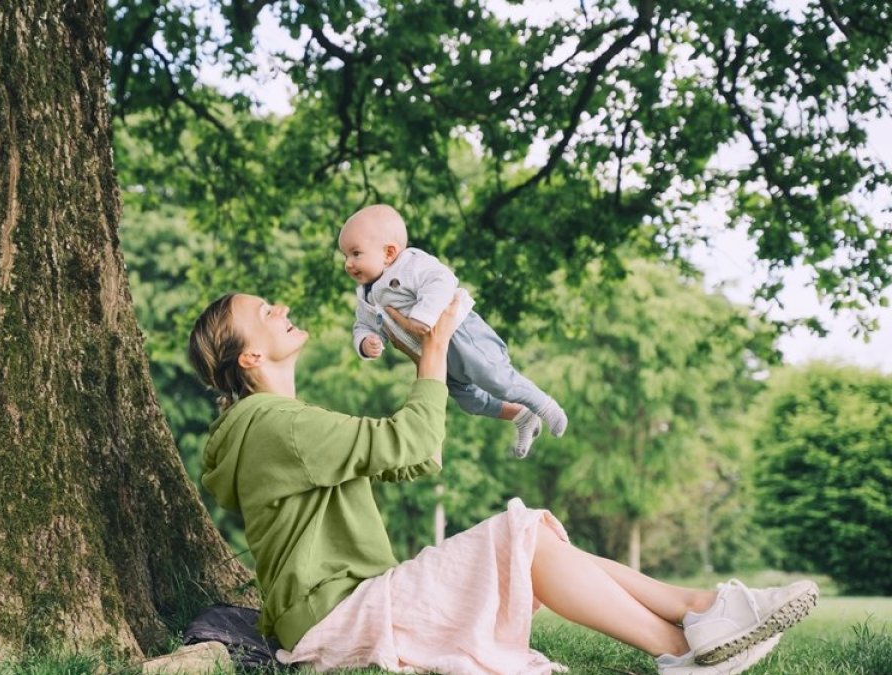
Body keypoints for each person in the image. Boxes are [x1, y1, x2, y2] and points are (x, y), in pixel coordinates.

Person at [186, 291, 817, 675]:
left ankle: (700, 612)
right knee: (523, 534)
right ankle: (681, 644)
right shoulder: (274, 425)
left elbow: (408, 459)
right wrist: (433, 355)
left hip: (342, 610)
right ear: (249, 357)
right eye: (264, 313)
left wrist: (431, 370)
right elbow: (413, 442)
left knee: (533, 532)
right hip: (340, 618)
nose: (282, 308)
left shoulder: (274, 426)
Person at [340, 203, 565, 458]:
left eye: (355, 253)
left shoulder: (410, 264)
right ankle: (522, 416)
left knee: (497, 379)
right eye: (345, 256)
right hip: (436, 355)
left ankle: (546, 406)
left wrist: (423, 316)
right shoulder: (365, 299)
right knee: (471, 402)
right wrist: (366, 341)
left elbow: (442, 280)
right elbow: (364, 325)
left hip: (461, 334)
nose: (348, 264)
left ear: (389, 253)